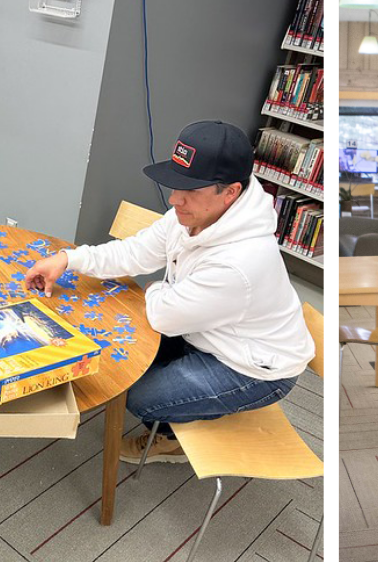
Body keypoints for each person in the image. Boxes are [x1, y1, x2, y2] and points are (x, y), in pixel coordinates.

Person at [23, 120, 315, 464]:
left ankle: (171, 437)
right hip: (204, 330)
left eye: (190, 190)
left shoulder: (240, 263)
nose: (175, 199)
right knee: (118, 359)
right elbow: (133, 253)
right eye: (175, 185)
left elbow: (162, 313)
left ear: (231, 192)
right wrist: (67, 259)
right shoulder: (194, 213)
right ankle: (192, 403)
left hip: (252, 368)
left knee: (137, 397)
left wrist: (158, 290)